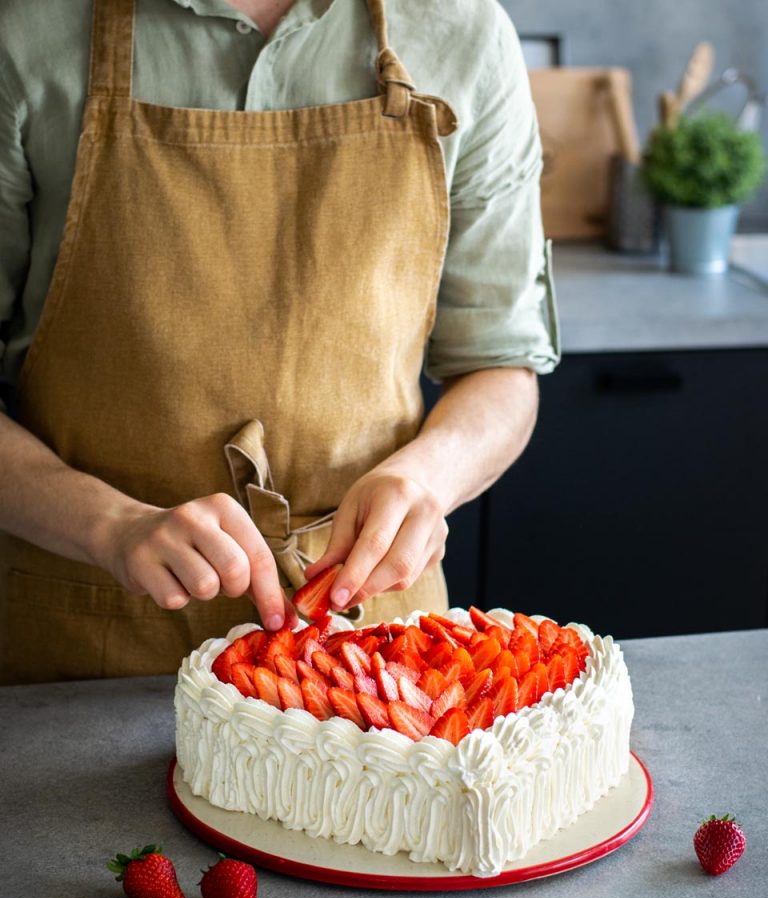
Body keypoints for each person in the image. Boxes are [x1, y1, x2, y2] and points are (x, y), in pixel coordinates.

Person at [0, 0, 559, 683]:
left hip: (373, 657)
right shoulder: (25, 30)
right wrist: (113, 528)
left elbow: (500, 368)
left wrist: (427, 479)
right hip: (84, 645)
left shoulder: (460, 32)